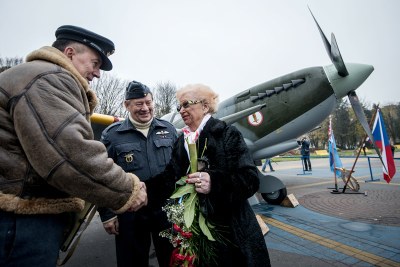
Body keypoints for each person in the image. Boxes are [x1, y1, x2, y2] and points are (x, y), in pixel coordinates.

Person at [0, 25, 147, 267]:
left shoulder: (34, 75)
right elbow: (70, 155)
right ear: (69, 53)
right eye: (95, 63)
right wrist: (127, 189)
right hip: (21, 219)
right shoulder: (49, 78)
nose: (97, 73)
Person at [146, 84, 271, 267]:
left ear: (205, 106)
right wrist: (139, 189)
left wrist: (215, 182)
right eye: (179, 106)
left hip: (232, 233)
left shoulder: (227, 134)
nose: (181, 110)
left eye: (187, 104)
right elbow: (169, 178)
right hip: (196, 234)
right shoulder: (182, 141)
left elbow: (250, 179)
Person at [98, 81, 177, 267]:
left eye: (148, 102)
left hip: (167, 212)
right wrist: (107, 214)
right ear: (127, 105)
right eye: (139, 104)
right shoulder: (112, 135)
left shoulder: (169, 130)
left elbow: (179, 169)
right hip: (130, 212)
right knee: (132, 262)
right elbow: (101, 175)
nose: (145, 108)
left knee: (174, 260)